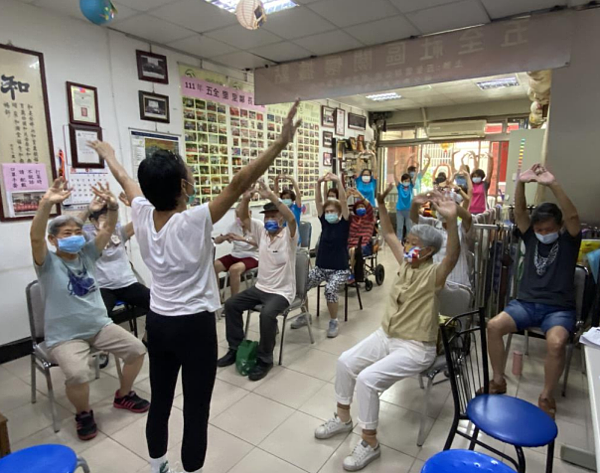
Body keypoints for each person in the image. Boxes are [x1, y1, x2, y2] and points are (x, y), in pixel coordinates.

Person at [89, 99, 301, 473]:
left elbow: (126, 180)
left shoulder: (140, 212)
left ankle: (158, 465)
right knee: (197, 407)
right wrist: (280, 143)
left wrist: (108, 153)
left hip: (159, 321)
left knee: (163, 399)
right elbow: (239, 183)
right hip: (195, 325)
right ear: (184, 186)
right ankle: (191, 468)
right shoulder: (193, 221)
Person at [314, 185, 460, 471]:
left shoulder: (433, 274)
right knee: (345, 362)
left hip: (416, 346)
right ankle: (343, 419)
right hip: (387, 335)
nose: (406, 245)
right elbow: (390, 233)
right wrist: (381, 203)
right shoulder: (407, 262)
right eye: (408, 241)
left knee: (368, 380)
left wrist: (452, 221)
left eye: (413, 243)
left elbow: (452, 255)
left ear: (428, 251)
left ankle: (370, 442)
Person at [30, 179, 149, 441]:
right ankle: (83, 413)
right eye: (66, 234)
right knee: (77, 373)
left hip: (99, 326)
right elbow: (36, 236)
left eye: (77, 233)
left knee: (137, 350)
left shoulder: (87, 255)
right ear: (53, 240)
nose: (74, 237)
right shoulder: (47, 263)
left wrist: (115, 207)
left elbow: (106, 231)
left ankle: (124, 395)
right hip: (65, 336)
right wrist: (45, 204)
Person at [485, 164, 581, 419]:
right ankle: (498, 380)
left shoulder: (569, 240)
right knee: (494, 326)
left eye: (549, 229)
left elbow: (572, 217)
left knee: (557, 342)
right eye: (539, 230)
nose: (543, 234)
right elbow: (519, 213)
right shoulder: (531, 238)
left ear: (558, 227)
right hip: (525, 304)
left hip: (559, 309)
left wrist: (552, 184)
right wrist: (520, 182)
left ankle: (546, 395)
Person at [217, 180, 298, 380]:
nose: (270, 219)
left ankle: (265, 359)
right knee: (232, 305)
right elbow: (243, 217)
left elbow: (292, 218)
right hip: (261, 287)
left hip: (282, 292)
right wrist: (245, 197)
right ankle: (235, 348)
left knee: (266, 315)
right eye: (267, 216)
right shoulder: (262, 233)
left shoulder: (289, 235)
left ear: (281, 219)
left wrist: (271, 195)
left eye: (274, 216)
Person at [80, 192, 151, 345]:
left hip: (127, 283)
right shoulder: (87, 237)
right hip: (103, 287)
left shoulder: (119, 232)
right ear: (92, 221)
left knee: (157, 304)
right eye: (103, 219)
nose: (109, 224)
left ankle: (148, 337)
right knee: (97, 318)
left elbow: (143, 220)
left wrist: (133, 205)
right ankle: (101, 348)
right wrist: (87, 210)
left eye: (111, 220)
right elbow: (71, 228)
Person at [292, 173, 350, 338]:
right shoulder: (325, 222)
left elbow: (344, 202)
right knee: (301, 285)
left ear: (339, 213)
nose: (329, 213)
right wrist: (317, 184)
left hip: (340, 270)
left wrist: (338, 181)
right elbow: (318, 202)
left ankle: (333, 321)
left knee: (330, 290)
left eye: (332, 211)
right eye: (327, 211)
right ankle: (305, 315)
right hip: (321, 268)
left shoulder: (344, 224)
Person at [410, 190, 474, 288]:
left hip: (459, 285)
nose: (442, 209)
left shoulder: (462, 227)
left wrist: (452, 207)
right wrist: (414, 204)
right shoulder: (432, 224)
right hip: (437, 283)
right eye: (438, 206)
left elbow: (468, 218)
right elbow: (414, 218)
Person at [213, 202, 259, 298]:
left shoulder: (257, 225)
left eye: (242, 216)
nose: (239, 219)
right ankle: (217, 298)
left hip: (252, 255)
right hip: (236, 255)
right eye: (237, 216)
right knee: (213, 266)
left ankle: (234, 301)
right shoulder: (233, 226)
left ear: (249, 213)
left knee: (234, 269)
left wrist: (242, 239)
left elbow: (263, 244)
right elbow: (217, 241)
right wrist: (224, 237)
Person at [346, 187, 375, 275]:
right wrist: (346, 196)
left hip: (364, 244)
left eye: (362, 206)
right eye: (358, 207)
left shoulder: (369, 217)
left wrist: (359, 195)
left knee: (354, 251)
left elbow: (369, 206)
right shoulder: (352, 218)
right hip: (351, 243)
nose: (361, 208)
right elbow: (341, 209)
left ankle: (353, 273)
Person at [394, 167, 414, 241]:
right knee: (400, 227)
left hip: (409, 210)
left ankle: (408, 241)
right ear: (402, 181)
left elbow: (414, 179)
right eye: (405, 181)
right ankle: (399, 241)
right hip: (400, 210)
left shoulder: (410, 187)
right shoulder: (399, 187)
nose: (407, 182)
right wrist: (394, 167)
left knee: (409, 227)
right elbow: (395, 177)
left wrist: (417, 167)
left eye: (408, 181)